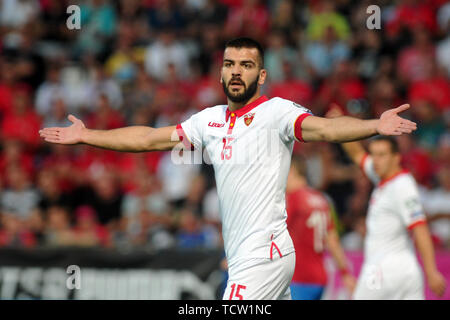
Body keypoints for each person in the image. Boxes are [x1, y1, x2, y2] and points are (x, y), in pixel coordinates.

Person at [40, 37, 417, 300]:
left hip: (263, 255)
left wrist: (373, 125)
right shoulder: (209, 119)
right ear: (221, 72)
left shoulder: (277, 112)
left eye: (247, 65)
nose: (236, 72)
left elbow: (325, 128)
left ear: (261, 75)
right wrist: (88, 135)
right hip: (249, 255)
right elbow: (149, 138)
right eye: (230, 64)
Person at [330, 111, 446, 298]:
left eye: (382, 155)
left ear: (396, 157)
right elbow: (357, 154)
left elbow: (420, 227)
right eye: (374, 155)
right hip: (406, 272)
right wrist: (339, 123)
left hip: (382, 271)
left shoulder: (402, 186)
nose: (376, 160)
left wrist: (431, 271)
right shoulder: (382, 176)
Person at [286, 154, 356, 300]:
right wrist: (344, 272)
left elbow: (272, 235)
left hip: (298, 277)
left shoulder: (293, 199)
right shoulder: (322, 199)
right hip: (320, 278)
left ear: (291, 171)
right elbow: (332, 239)